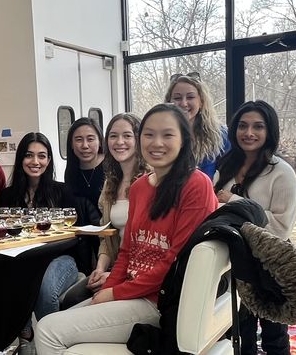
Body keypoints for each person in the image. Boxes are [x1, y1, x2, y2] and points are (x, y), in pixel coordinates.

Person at [35, 104, 218, 354]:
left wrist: (115, 293)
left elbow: (174, 262)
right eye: (149, 134)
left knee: (47, 330)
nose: (157, 142)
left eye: (167, 135)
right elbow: (127, 251)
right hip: (132, 292)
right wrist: (111, 288)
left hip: (160, 300)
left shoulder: (196, 184)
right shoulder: (140, 187)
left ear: (184, 140)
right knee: (56, 324)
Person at [0, 132, 99, 355]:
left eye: (42, 156)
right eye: (29, 155)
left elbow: (75, 234)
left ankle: (51, 344)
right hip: (23, 260)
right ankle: (26, 337)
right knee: (11, 280)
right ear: (20, 159)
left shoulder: (61, 191)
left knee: (45, 290)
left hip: (60, 259)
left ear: (49, 160)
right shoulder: (7, 196)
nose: (35, 162)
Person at [215, 100, 296, 355]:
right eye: (242, 126)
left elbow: (281, 228)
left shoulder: (282, 173)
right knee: (240, 336)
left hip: (269, 270)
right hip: (231, 267)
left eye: (258, 126)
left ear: (269, 131)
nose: (249, 133)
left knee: (274, 337)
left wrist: (234, 201)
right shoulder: (226, 166)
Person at [62, 113, 148, 308]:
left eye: (127, 135)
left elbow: (149, 244)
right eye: (113, 136)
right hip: (114, 265)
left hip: (137, 273)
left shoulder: (150, 180)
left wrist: (115, 274)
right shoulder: (111, 182)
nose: (120, 142)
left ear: (139, 139)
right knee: (70, 300)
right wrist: (100, 269)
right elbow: (106, 235)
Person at [164, 72, 229, 179]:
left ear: (201, 101)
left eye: (190, 97)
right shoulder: (161, 136)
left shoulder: (220, 136)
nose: (184, 103)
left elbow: (229, 177)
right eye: (177, 98)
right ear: (168, 102)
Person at [64, 117, 105, 211]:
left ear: (100, 142)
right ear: (71, 144)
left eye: (90, 139)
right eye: (79, 140)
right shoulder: (71, 170)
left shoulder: (111, 167)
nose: (85, 145)